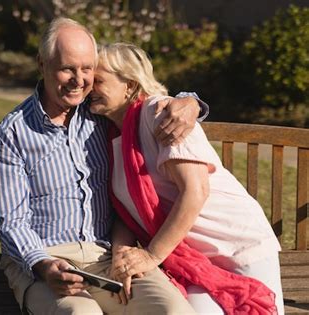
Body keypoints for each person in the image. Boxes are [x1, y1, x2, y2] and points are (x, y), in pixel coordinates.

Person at [0, 17, 208, 314]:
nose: (78, 80)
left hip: (107, 256)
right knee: (82, 314)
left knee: (175, 311)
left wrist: (190, 101)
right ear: (42, 64)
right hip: (44, 258)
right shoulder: (14, 132)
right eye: (67, 68)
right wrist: (43, 265)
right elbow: (12, 222)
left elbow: (147, 98)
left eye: (87, 69)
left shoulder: (100, 114)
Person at [88, 42, 284, 314]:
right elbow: (127, 211)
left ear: (130, 85)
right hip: (193, 259)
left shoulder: (161, 115)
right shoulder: (109, 135)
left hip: (235, 244)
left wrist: (152, 255)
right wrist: (121, 255)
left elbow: (196, 191)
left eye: (97, 80)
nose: (88, 86)